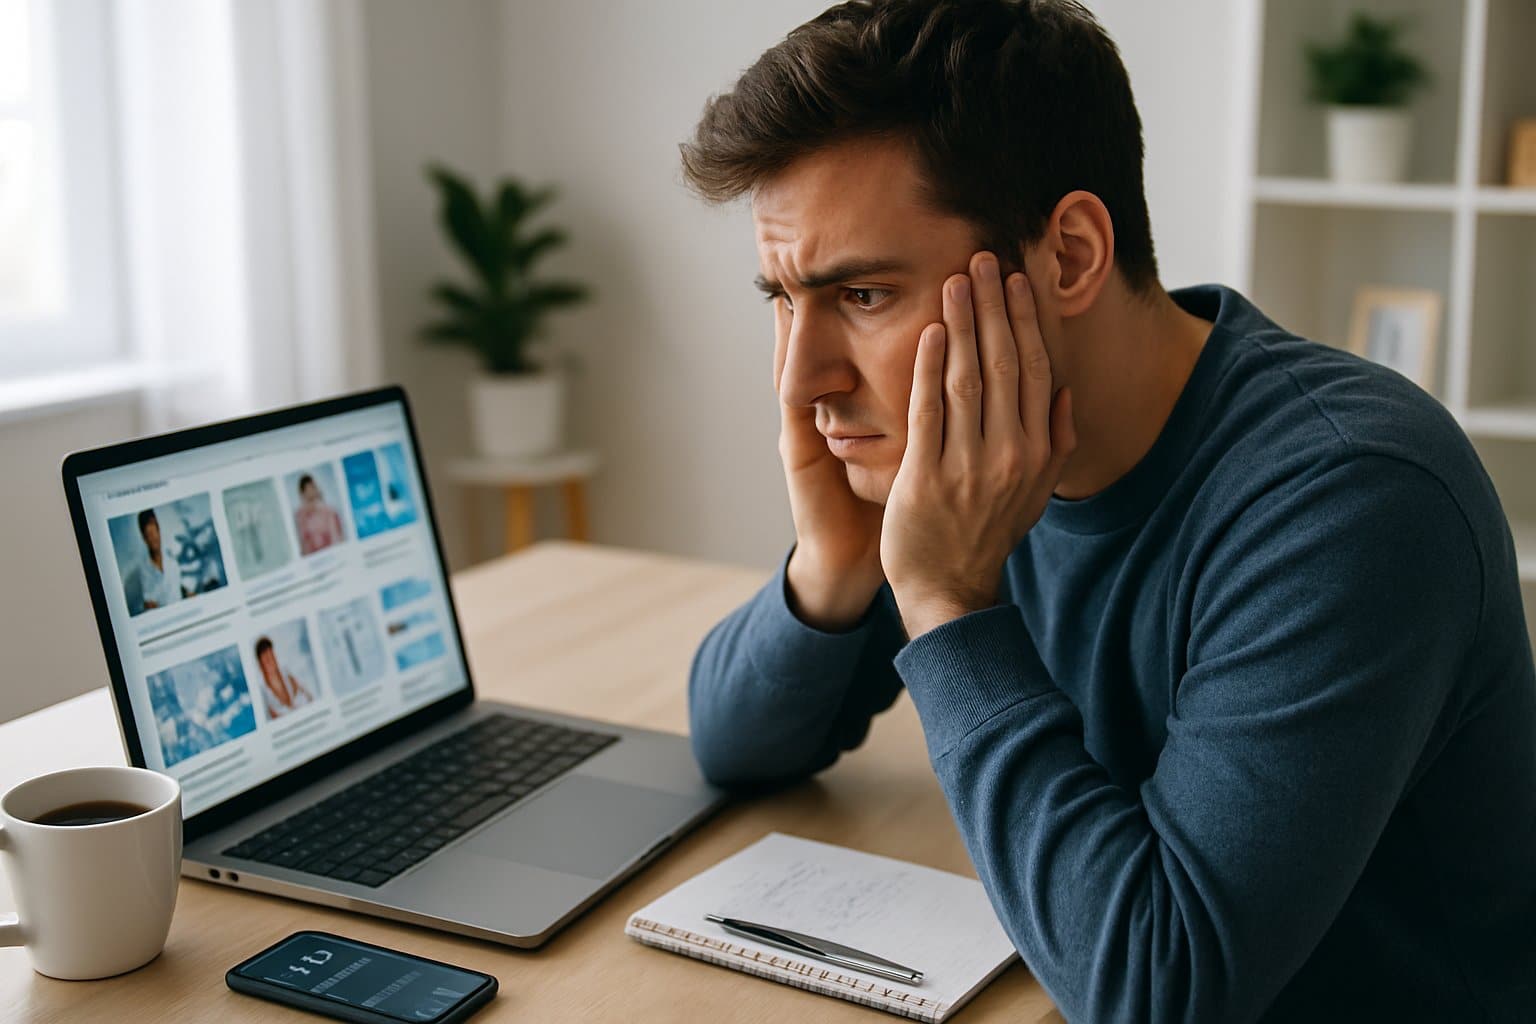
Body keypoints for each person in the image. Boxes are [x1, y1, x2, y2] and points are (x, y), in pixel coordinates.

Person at [679, 2, 1536, 1020]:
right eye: (780, 298)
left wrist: (947, 601)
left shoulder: (1353, 496)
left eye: (861, 295)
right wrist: (832, 562)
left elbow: (1156, 990)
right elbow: (733, 745)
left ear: (1072, 254)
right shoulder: (974, 450)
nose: (805, 376)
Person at [135, 508, 184, 612]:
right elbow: (149, 602)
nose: (154, 539)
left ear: (159, 532)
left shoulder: (171, 558)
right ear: (144, 539)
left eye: (154, 533)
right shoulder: (144, 569)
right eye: (149, 535)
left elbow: (178, 585)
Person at [254, 635, 315, 718]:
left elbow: (307, 695)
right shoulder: (264, 692)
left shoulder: (286, 673)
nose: (271, 661)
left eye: (272, 656)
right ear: (261, 664)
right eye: (267, 660)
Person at [293, 472, 346, 555]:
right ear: (302, 493)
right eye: (308, 489)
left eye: (312, 487)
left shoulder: (329, 512)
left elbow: (338, 538)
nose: (311, 491)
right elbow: (303, 544)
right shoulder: (299, 517)